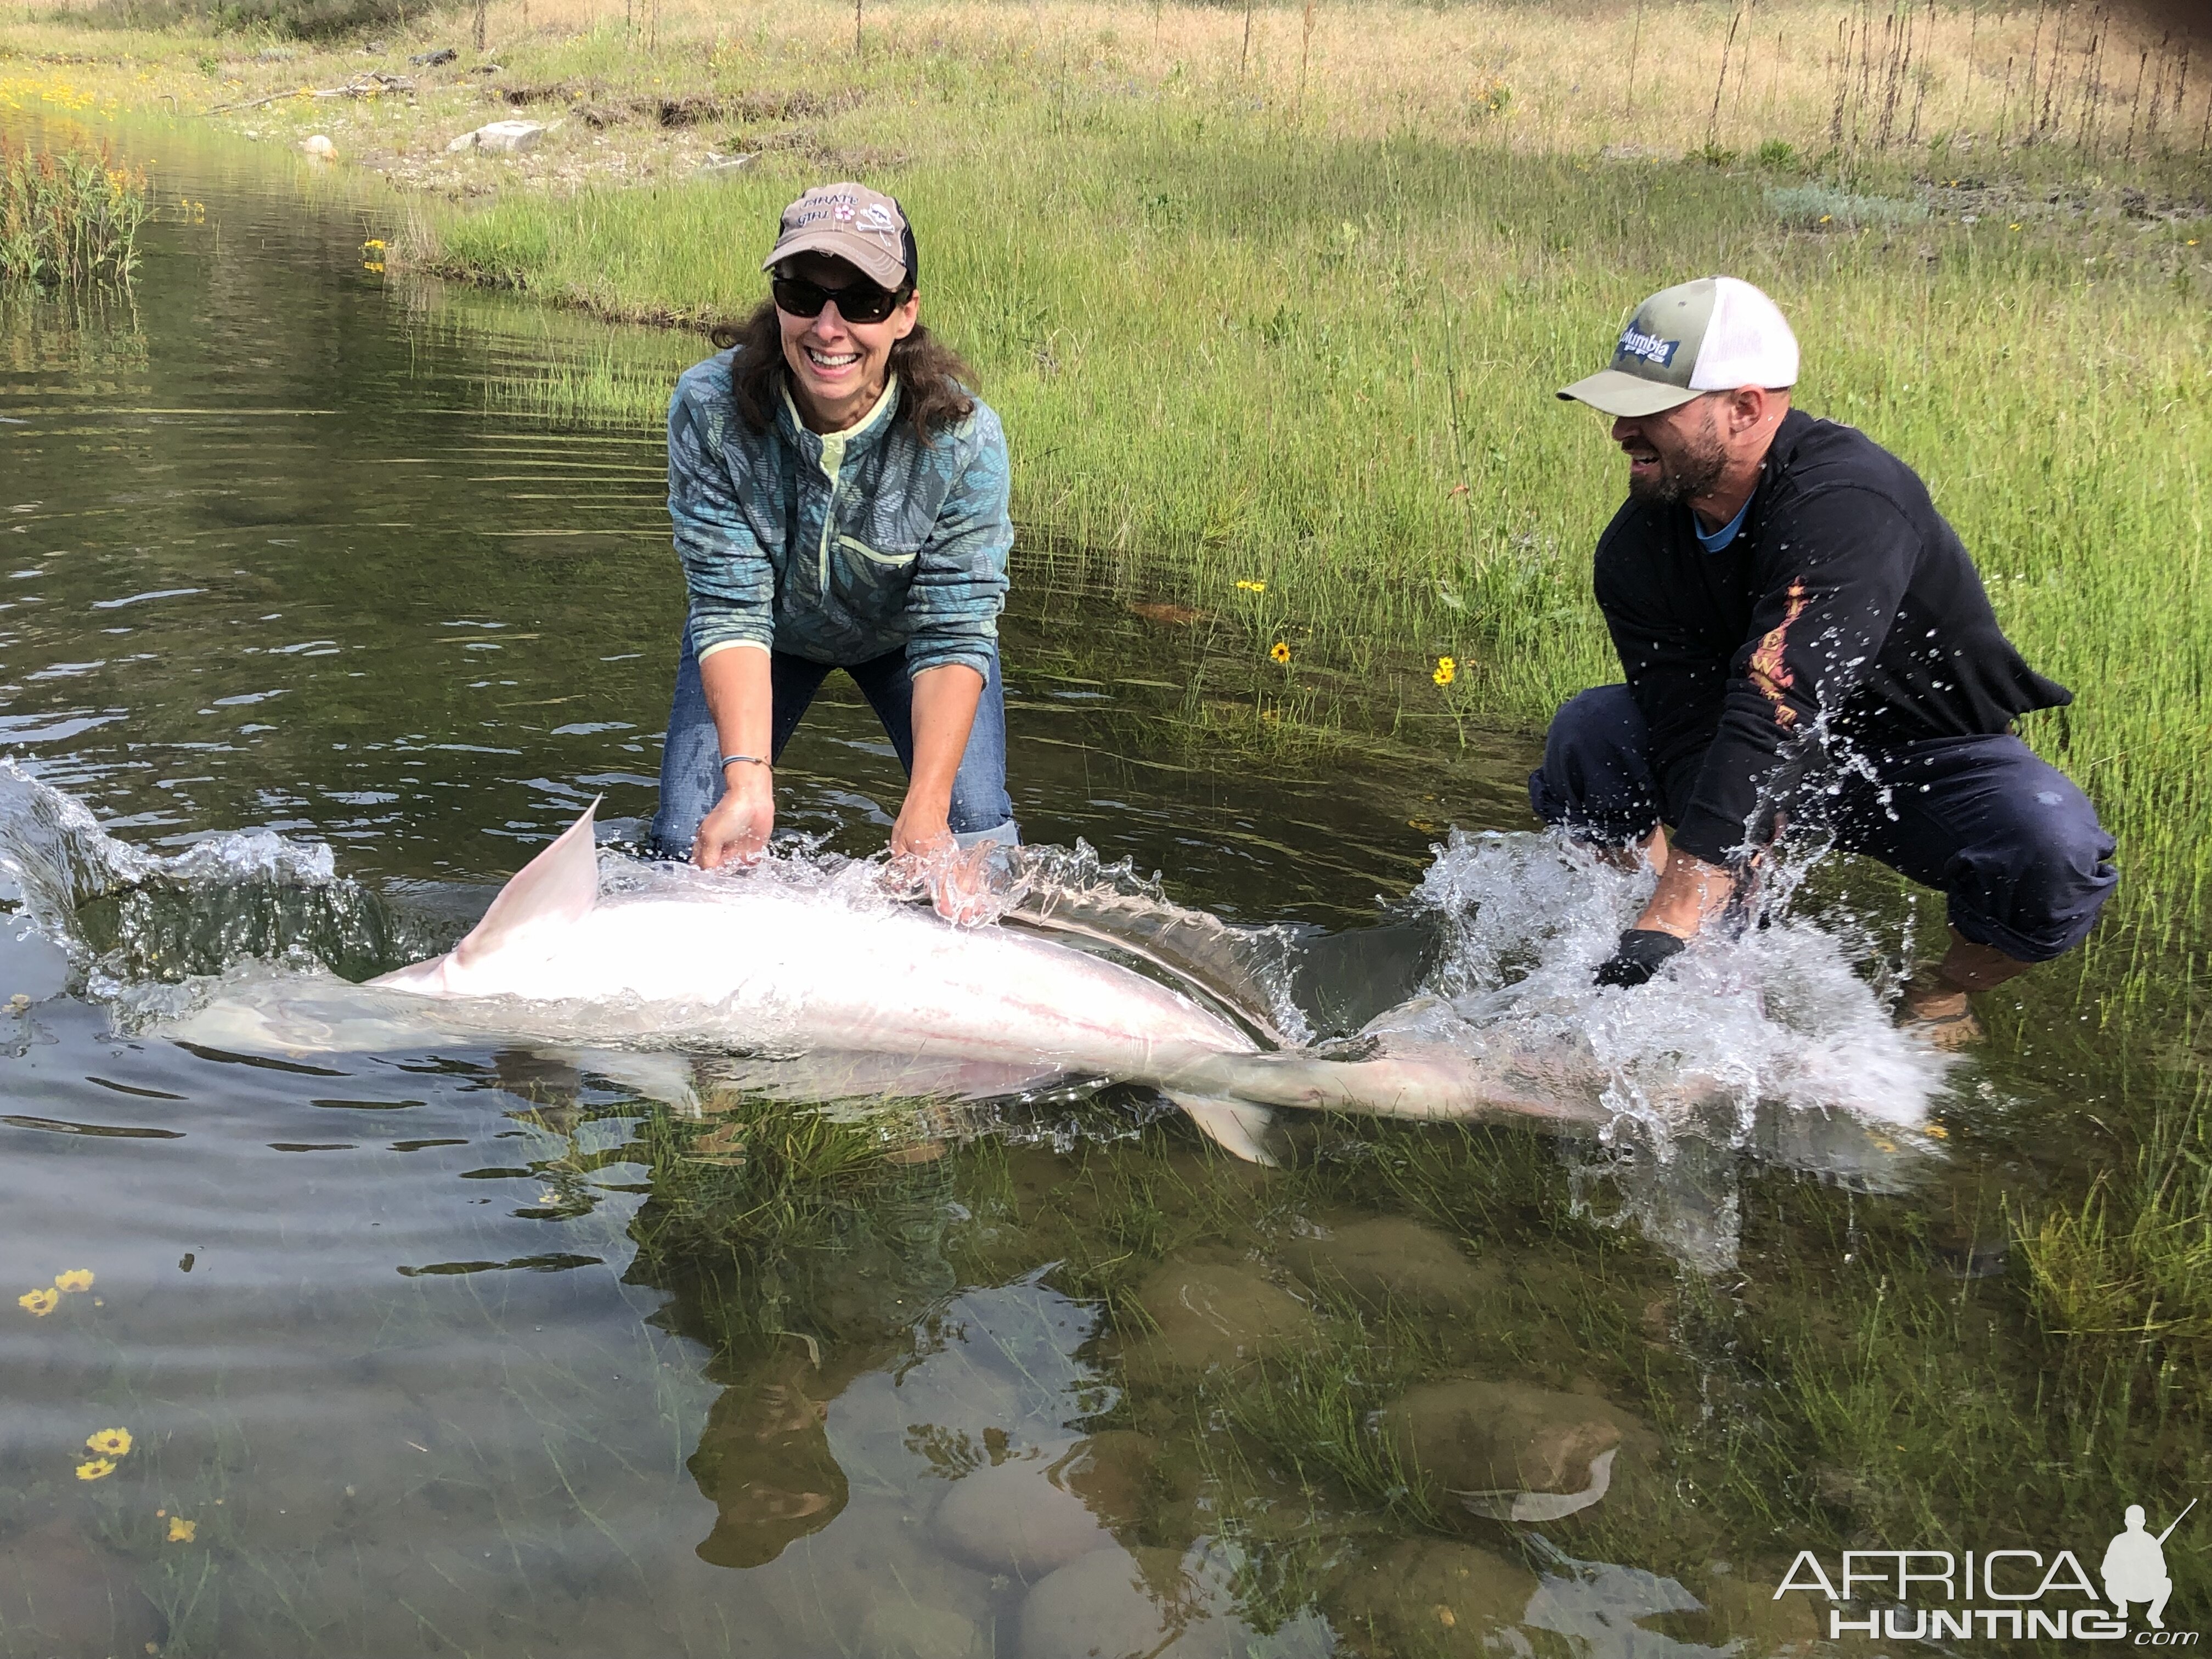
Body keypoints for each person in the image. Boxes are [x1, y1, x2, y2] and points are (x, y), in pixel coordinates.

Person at [1535, 276, 2115, 1041]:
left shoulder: (1848, 499)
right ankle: (1662, 952)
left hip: (1923, 756)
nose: (1620, 431)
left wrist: (1681, 906)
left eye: (1652, 412)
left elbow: (1779, 692)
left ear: (1745, 408)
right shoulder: (1639, 548)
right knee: (1593, 733)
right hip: (1754, 747)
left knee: (2053, 851)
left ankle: (1942, 995)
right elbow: (1685, 733)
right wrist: (1706, 937)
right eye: (1621, 408)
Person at [650, 182, 1016, 911]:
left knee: (972, 848)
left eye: (862, 302)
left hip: (913, 645)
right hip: (763, 635)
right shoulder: (709, 411)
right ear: (777, 298)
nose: (828, 327)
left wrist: (926, 806)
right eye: (803, 292)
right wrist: (748, 779)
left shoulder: (964, 440)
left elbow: (955, 627)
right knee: (686, 845)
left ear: (906, 312)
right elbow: (729, 606)